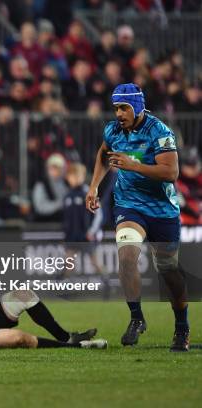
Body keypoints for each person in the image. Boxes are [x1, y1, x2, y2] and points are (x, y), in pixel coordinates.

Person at [86, 83, 189, 351]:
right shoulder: (113, 130)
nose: (119, 113)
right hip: (129, 205)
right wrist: (94, 186)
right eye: (116, 108)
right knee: (127, 256)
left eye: (124, 108)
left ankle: (182, 328)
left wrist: (134, 165)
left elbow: (171, 173)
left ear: (138, 106)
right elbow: (103, 154)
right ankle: (136, 318)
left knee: (168, 272)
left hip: (162, 209)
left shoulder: (159, 132)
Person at [61, 163, 107, 288]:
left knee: (95, 262)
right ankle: (63, 289)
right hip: (73, 236)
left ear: (82, 176)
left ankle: (108, 284)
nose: (74, 178)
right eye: (71, 176)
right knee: (69, 262)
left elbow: (99, 215)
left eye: (77, 175)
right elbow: (67, 219)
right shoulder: (68, 196)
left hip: (86, 235)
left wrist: (91, 232)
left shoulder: (89, 192)